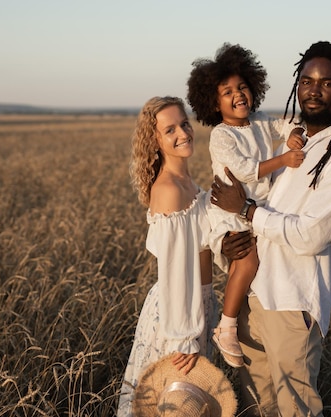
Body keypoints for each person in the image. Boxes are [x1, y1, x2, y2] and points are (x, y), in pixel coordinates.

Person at [210, 41, 331, 416]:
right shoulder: (295, 143)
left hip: (293, 304)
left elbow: (310, 237)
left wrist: (247, 210)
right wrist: (230, 241)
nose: (314, 89)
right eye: (306, 79)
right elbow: (262, 207)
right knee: (255, 408)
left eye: (327, 83)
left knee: (295, 409)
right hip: (256, 298)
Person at [186, 43, 306, 368]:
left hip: (253, 207)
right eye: (227, 92)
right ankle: (225, 327)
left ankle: (236, 322)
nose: (238, 95)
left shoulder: (260, 120)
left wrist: (294, 132)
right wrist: (283, 158)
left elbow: (285, 125)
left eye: (242, 87)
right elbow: (243, 170)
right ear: (213, 102)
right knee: (248, 260)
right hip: (229, 210)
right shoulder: (222, 136)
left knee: (250, 266)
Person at [118, 96, 218, 416]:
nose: (183, 133)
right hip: (178, 316)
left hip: (198, 304)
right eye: (170, 129)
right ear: (156, 140)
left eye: (184, 123)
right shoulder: (169, 190)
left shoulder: (189, 183)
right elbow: (174, 273)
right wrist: (184, 339)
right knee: (169, 403)